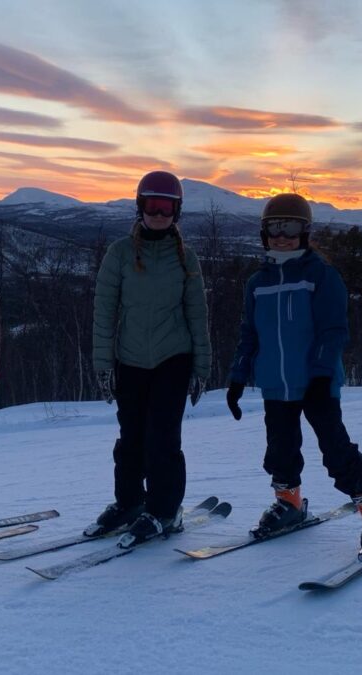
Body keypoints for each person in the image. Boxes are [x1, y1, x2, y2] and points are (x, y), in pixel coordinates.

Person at [225, 193, 362, 558]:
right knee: (280, 450)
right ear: (264, 233)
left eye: (290, 227)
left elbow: (333, 330)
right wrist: (239, 375)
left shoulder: (320, 275)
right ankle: (289, 503)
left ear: (305, 232)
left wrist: (322, 375)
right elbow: (248, 333)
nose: (282, 235)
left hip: (316, 383)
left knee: (336, 452)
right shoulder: (257, 283)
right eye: (274, 227)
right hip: (276, 383)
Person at [88, 170, 211, 547]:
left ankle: (164, 510)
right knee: (131, 439)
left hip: (173, 358)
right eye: (151, 206)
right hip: (130, 360)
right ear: (139, 207)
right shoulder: (120, 253)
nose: (158, 214)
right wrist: (104, 363)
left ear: (177, 212)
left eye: (166, 207)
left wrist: (202, 366)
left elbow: (197, 314)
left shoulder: (186, 258)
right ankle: (129, 503)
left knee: (162, 439)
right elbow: (104, 310)